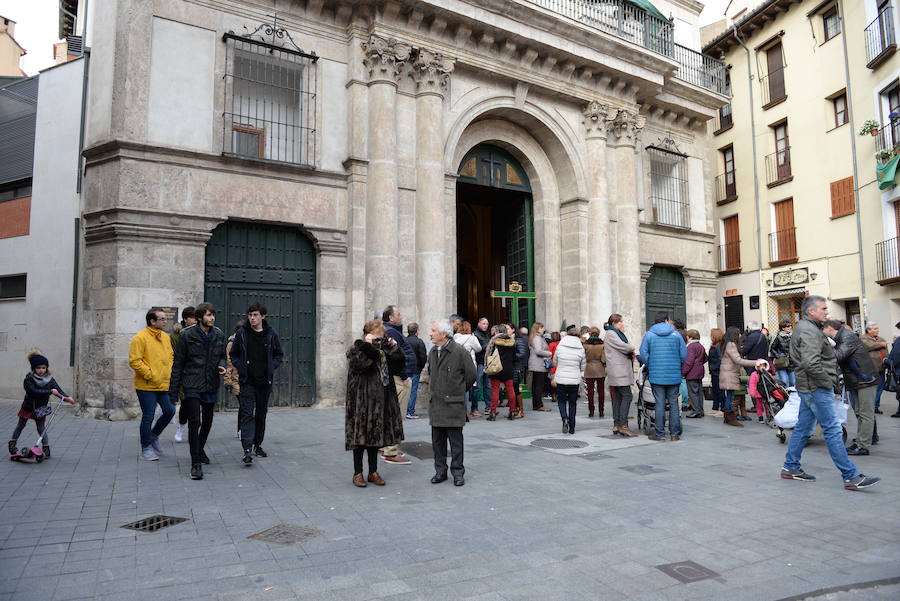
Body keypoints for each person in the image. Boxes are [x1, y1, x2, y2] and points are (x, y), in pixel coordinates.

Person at [781, 296, 879, 490]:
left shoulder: (806, 328)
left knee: (803, 427)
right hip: (816, 387)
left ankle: (790, 467)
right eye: (824, 308)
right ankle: (851, 476)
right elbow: (811, 364)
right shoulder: (809, 331)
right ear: (811, 311)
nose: (827, 311)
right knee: (833, 430)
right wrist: (828, 383)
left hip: (809, 387)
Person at [168, 302, 227, 480]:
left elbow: (223, 356)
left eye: (213, 315)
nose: (212, 318)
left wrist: (221, 366)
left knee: (208, 421)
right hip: (191, 382)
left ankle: (200, 449)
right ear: (200, 318)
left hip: (210, 383)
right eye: (208, 315)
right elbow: (178, 364)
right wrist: (173, 392)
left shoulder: (218, 334)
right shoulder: (187, 335)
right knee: (195, 422)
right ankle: (196, 463)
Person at [345, 319, 405, 487]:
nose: (380, 340)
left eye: (382, 337)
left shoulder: (383, 349)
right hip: (362, 400)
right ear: (367, 335)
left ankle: (373, 471)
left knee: (376, 436)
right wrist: (367, 346)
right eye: (378, 336)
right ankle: (357, 473)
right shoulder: (357, 349)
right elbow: (360, 365)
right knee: (360, 437)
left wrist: (394, 348)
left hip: (381, 399)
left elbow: (399, 366)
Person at [229, 302, 284, 465]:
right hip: (247, 382)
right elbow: (234, 354)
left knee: (261, 415)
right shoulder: (242, 333)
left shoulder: (271, 334)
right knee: (247, 414)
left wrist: (271, 367)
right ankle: (247, 449)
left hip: (264, 382)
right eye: (250, 315)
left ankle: (257, 444)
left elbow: (279, 354)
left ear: (262, 316)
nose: (252, 318)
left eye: (255, 315)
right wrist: (240, 367)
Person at [428, 319, 476, 486]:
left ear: (443, 334)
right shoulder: (433, 351)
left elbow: (471, 375)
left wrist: (459, 389)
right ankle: (440, 471)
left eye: (433, 330)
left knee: (456, 442)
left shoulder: (459, 351)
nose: (430, 333)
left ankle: (458, 472)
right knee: (437, 442)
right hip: (436, 405)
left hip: (453, 404)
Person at [824, 320, 878, 456]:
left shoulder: (847, 336)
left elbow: (838, 356)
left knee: (866, 413)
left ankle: (863, 445)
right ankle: (860, 441)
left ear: (829, 328)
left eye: (823, 331)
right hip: (857, 380)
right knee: (860, 412)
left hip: (866, 380)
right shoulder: (842, 337)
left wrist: (825, 346)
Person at [128, 308, 176, 461]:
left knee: (169, 411)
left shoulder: (166, 337)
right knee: (148, 416)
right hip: (146, 386)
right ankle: (146, 448)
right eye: (161, 319)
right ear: (152, 321)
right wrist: (150, 374)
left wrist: (168, 375)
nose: (165, 321)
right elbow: (135, 361)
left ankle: (154, 435)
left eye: (165, 318)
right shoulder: (140, 338)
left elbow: (170, 357)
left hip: (162, 384)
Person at [9, 351, 74, 459]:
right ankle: (12, 444)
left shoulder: (49, 379)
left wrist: (67, 398)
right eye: (38, 368)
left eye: (43, 368)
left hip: (41, 408)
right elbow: (33, 391)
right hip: (28, 406)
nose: (41, 370)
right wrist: (49, 392)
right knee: (21, 425)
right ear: (34, 368)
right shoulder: (29, 379)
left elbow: (57, 390)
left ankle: (46, 448)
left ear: (46, 368)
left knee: (41, 428)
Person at [638, 312, 687, 441]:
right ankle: (674, 434)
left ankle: (659, 434)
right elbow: (683, 355)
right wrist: (676, 364)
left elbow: (643, 354)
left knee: (659, 403)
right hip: (674, 375)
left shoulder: (649, 335)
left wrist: (651, 363)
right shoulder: (676, 335)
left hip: (656, 375)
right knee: (673, 403)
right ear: (666, 320)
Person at [379, 305, 416, 463]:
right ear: (391, 318)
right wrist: (404, 375)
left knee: (390, 414)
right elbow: (396, 356)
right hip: (399, 378)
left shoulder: (389, 330)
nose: (401, 316)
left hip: (395, 376)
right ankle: (391, 451)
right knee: (397, 416)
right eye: (398, 314)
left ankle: (385, 446)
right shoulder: (391, 331)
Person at [719, 327, 761, 427]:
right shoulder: (731, 345)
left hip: (728, 373)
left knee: (730, 395)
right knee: (730, 396)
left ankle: (727, 417)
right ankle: (730, 418)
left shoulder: (727, 344)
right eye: (738, 334)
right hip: (730, 374)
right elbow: (738, 360)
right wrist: (756, 362)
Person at [604, 314, 637, 436]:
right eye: (620, 322)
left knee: (618, 397)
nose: (622, 324)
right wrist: (632, 347)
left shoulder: (613, 333)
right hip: (619, 371)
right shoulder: (612, 334)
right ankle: (623, 425)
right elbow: (625, 347)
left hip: (618, 370)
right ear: (614, 323)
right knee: (627, 396)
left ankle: (617, 424)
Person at [554, 329, 585, 434]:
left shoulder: (560, 346)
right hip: (574, 379)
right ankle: (572, 427)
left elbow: (555, 362)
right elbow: (583, 366)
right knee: (573, 403)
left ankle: (564, 418)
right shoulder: (581, 348)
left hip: (561, 377)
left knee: (561, 400)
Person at [172, 306, 196, 443]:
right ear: (185, 320)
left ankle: (194, 430)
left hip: (196, 374)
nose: (196, 321)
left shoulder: (199, 332)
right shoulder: (176, 336)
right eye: (193, 318)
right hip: (182, 374)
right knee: (186, 403)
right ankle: (181, 427)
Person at [486, 324, 517, 421]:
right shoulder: (512, 342)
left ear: (498, 332)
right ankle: (512, 411)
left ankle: (493, 413)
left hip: (496, 368)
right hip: (508, 369)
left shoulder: (494, 341)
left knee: (495, 390)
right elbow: (514, 357)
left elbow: (488, 354)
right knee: (510, 390)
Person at [453, 321, 481, 416]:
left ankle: (462, 411)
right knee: (472, 386)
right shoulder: (471, 338)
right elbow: (479, 348)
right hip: (470, 365)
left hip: (458, 365)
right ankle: (473, 409)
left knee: (462, 387)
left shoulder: (455, 338)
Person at [861, 323, 888, 414]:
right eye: (875, 328)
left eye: (877, 328)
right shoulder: (863, 338)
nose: (878, 330)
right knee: (872, 388)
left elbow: (885, 350)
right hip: (871, 369)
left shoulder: (881, 339)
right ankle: (871, 406)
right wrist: (881, 344)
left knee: (880, 388)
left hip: (881, 368)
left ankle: (876, 406)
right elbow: (869, 346)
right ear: (869, 330)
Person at [223, 321, 244, 439]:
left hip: (246, 378)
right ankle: (241, 430)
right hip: (236, 379)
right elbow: (229, 363)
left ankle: (242, 429)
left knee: (245, 405)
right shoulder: (231, 344)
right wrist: (228, 381)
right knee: (243, 405)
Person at [527, 322, 552, 412]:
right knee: (538, 385)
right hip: (538, 364)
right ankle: (538, 405)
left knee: (536, 385)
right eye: (542, 328)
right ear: (537, 329)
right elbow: (538, 351)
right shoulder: (537, 338)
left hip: (536, 364)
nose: (543, 329)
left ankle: (537, 404)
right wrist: (549, 353)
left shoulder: (536, 337)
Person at [682, 329, 708, 418]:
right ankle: (700, 410)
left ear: (690, 337)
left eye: (687, 337)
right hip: (700, 371)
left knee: (693, 392)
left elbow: (689, 362)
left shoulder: (691, 347)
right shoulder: (700, 346)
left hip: (692, 372)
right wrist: (699, 363)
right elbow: (705, 358)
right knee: (699, 392)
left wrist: (683, 372)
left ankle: (695, 411)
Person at [405, 322, 428, 420]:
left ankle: (404, 410)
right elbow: (423, 357)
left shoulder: (404, 340)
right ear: (417, 331)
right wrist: (421, 367)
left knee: (405, 390)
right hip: (415, 369)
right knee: (413, 391)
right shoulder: (419, 342)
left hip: (405, 369)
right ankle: (410, 411)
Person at [582, 327, 606, 418]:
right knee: (601, 391)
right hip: (600, 368)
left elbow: (583, 357)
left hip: (589, 368)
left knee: (590, 392)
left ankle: (591, 411)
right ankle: (601, 411)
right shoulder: (602, 345)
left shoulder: (585, 345)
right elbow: (604, 359)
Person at [473, 317, 492, 416]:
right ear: (479, 324)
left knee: (488, 386)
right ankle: (474, 408)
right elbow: (478, 348)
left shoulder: (487, 335)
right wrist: (489, 345)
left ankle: (488, 407)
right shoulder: (475, 335)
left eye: (487, 324)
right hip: (479, 362)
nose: (486, 325)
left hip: (487, 363)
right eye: (484, 323)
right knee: (477, 386)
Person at [769, 320, 795, 388]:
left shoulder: (793, 336)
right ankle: (785, 397)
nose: (790, 327)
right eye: (788, 326)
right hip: (781, 362)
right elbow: (772, 349)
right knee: (784, 381)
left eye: (790, 326)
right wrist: (779, 356)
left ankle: (791, 397)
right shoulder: (778, 337)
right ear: (783, 328)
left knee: (793, 382)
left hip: (792, 362)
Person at [512, 326, 530, 418]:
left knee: (516, 388)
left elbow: (522, 353)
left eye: (507, 328)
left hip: (517, 367)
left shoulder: (519, 340)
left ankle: (521, 411)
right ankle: (515, 409)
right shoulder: (511, 339)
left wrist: (511, 356)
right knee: (513, 389)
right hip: (512, 367)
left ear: (513, 330)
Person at [708, 329, 725, 411]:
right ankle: (716, 406)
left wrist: (713, 367)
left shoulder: (718, 346)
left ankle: (722, 407)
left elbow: (720, 359)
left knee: (719, 391)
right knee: (716, 390)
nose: (710, 336)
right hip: (715, 371)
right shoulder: (716, 345)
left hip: (717, 372)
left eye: (711, 335)